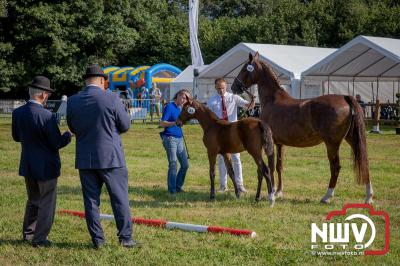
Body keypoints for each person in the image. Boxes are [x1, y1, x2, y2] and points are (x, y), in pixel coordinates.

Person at [67, 65, 140, 249]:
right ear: (102, 80)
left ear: (86, 80)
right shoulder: (112, 97)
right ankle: (125, 238)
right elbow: (125, 125)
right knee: (120, 199)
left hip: (85, 157)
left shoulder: (73, 101)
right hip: (111, 157)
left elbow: (73, 127)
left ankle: (98, 240)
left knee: (91, 201)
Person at [12, 76, 72, 247]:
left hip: (28, 164)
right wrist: (68, 135)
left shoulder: (18, 113)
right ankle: (40, 238)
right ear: (44, 95)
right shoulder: (47, 115)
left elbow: (16, 137)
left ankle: (29, 233)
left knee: (33, 200)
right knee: (47, 202)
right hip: (46, 167)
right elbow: (56, 143)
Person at [207, 78, 255, 193]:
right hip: (219, 133)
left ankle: (240, 185)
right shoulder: (211, 100)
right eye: (218, 88)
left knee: (236, 157)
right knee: (221, 159)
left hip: (233, 131)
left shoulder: (234, 97)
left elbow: (249, 106)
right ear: (215, 87)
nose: (221, 90)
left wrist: (252, 100)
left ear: (226, 86)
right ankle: (223, 186)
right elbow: (208, 116)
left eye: (223, 88)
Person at [159, 89, 191, 195]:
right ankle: (172, 190)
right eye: (183, 97)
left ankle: (178, 186)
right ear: (177, 95)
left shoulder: (181, 109)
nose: (184, 100)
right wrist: (174, 123)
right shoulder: (169, 106)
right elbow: (162, 123)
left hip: (179, 138)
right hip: (170, 138)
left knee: (185, 165)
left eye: (186, 98)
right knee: (173, 164)